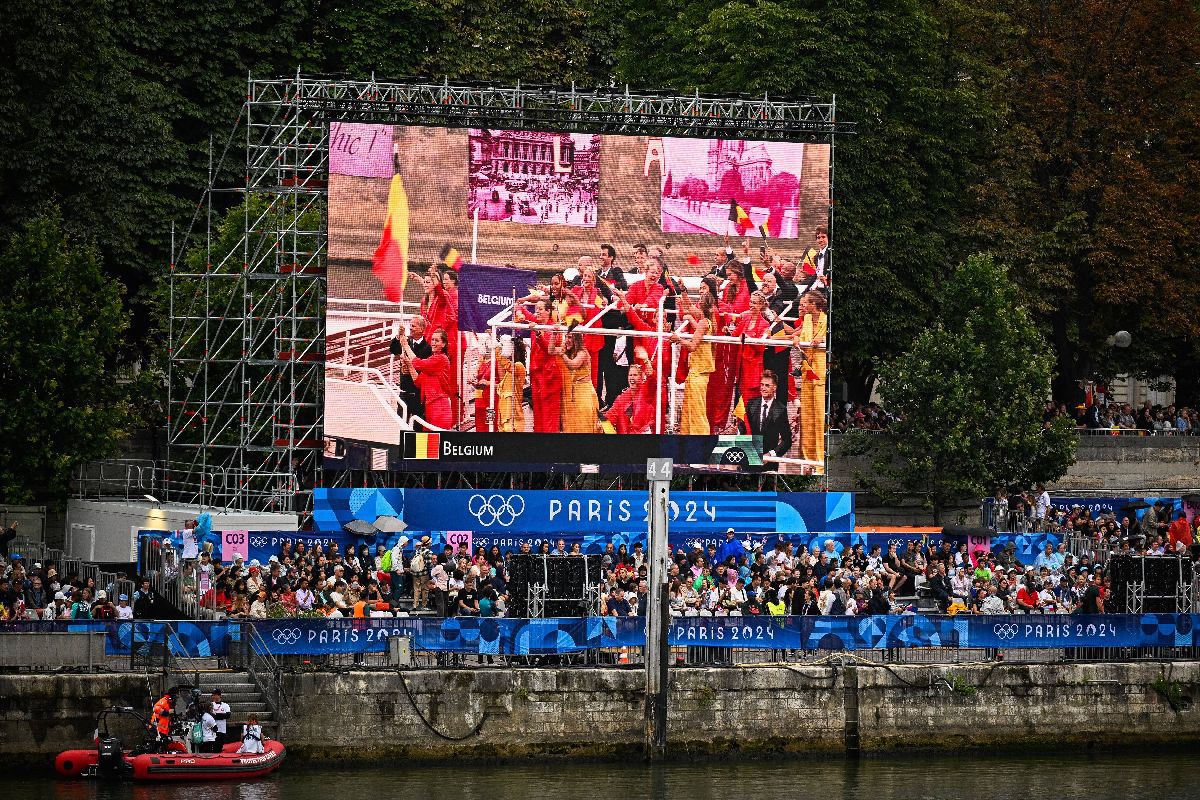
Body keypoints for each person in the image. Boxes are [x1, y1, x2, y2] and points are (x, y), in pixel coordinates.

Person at [672, 289, 716, 435]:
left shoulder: (704, 323)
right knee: (690, 409)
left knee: (697, 412)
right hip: (697, 372)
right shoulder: (707, 322)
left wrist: (678, 339)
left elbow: (692, 346)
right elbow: (699, 332)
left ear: (701, 307)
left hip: (699, 372)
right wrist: (691, 319)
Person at [399, 329, 454, 430]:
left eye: (436, 340)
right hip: (430, 406)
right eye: (432, 340)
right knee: (430, 440)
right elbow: (418, 381)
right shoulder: (432, 360)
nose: (433, 343)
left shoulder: (441, 359)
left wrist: (406, 346)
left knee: (437, 440)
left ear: (444, 344)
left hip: (439, 407)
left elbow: (418, 363)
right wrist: (408, 364)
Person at [528, 300, 563, 432]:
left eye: (540, 309)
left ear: (548, 311)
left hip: (549, 377)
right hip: (536, 375)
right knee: (538, 413)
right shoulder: (536, 325)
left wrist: (538, 334)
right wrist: (519, 305)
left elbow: (548, 349)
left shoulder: (554, 328)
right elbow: (526, 314)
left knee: (549, 415)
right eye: (536, 308)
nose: (537, 311)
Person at [391, 315, 432, 422]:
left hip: (417, 394)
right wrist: (398, 336)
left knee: (417, 425)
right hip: (404, 391)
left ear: (422, 329)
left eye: (413, 326)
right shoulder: (406, 341)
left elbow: (421, 365)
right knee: (400, 423)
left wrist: (408, 368)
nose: (410, 328)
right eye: (410, 325)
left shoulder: (428, 348)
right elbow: (393, 349)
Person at [558, 331, 600, 433]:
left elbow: (573, 365)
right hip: (573, 394)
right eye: (566, 337)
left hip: (584, 394)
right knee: (572, 423)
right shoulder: (570, 351)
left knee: (584, 423)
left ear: (576, 340)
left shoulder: (583, 353)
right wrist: (554, 334)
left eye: (570, 338)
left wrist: (562, 355)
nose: (567, 340)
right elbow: (550, 350)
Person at [744, 371, 792, 459]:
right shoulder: (751, 404)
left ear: (774, 387)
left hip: (769, 462)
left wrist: (771, 455)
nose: (763, 388)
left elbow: (787, 440)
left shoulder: (780, 409)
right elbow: (743, 428)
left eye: (767, 385)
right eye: (762, 385)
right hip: (750, 458)